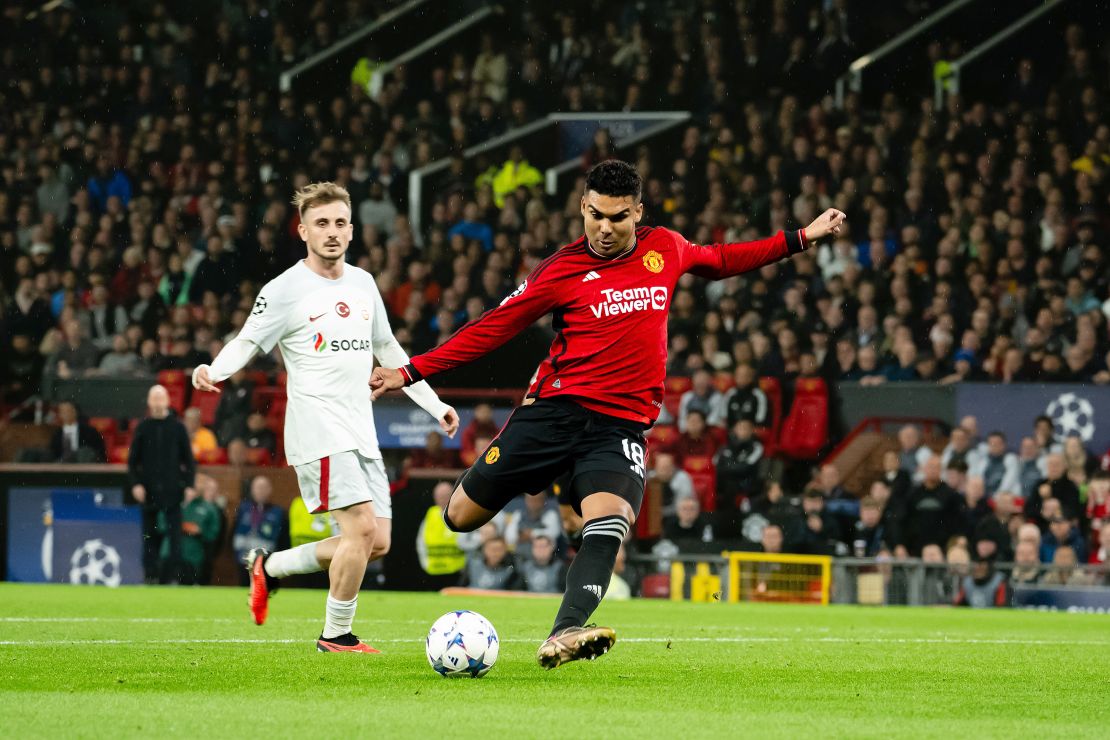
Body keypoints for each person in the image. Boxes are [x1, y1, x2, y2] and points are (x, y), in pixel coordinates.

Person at [372, 160, 846, 668]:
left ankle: (565, 630)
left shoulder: (665, 247)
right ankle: (558, 482)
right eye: (595, 214)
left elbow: (725, 257)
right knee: (459, 517)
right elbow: (492, 328)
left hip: (619, 426)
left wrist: (800, 238)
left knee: (610, 523)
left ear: (637, 213)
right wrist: (411, 371)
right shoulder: (560, 270)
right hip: (552, 413)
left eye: (618, 217)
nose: (604, 226)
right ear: (582, 207)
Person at [192, 182, 459, 653]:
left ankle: (268, 567)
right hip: (317, 428)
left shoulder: (363, 283)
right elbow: (247, 340)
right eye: (321, 224)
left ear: (352, 230)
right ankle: (336, 636)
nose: (331, 232)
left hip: (361, 427)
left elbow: (390, 351)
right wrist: (213, 369)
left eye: (339, 223)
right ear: (303, 231)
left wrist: (435, 405)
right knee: (358, 530)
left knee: (378, 542)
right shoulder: (284, 290)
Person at [128, 384, 196, 583]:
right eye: (154, 398)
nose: (157, 402)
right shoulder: (142, 428)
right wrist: (136, 485)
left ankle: (174, 577)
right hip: (149, 489)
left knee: (175, 536)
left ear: (167, 401)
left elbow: (189, 460)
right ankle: (150, 575)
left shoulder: (177, 427)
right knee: (149, 535)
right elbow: (133, 462)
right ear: (149, 402)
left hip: (173, 489)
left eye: (161, 398)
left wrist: (190, 485)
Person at [232, 476, 289, 584]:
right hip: (243, 560)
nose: (260, 491)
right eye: (257, 487)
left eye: (263, 487)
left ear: (270, 490)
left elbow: (284, 539)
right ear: (252, 490)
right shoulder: (243, 509)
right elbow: (233, 532)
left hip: (267, 562)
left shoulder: (279, 512)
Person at [416, 481, 466, 588]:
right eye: (439, 496)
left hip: (456, 572)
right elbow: (421, 542)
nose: (442, 499)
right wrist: (425, 564)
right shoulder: (431, 513)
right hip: (432, 572)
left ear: (453, 495)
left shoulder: (462, 512)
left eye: (445, 495)